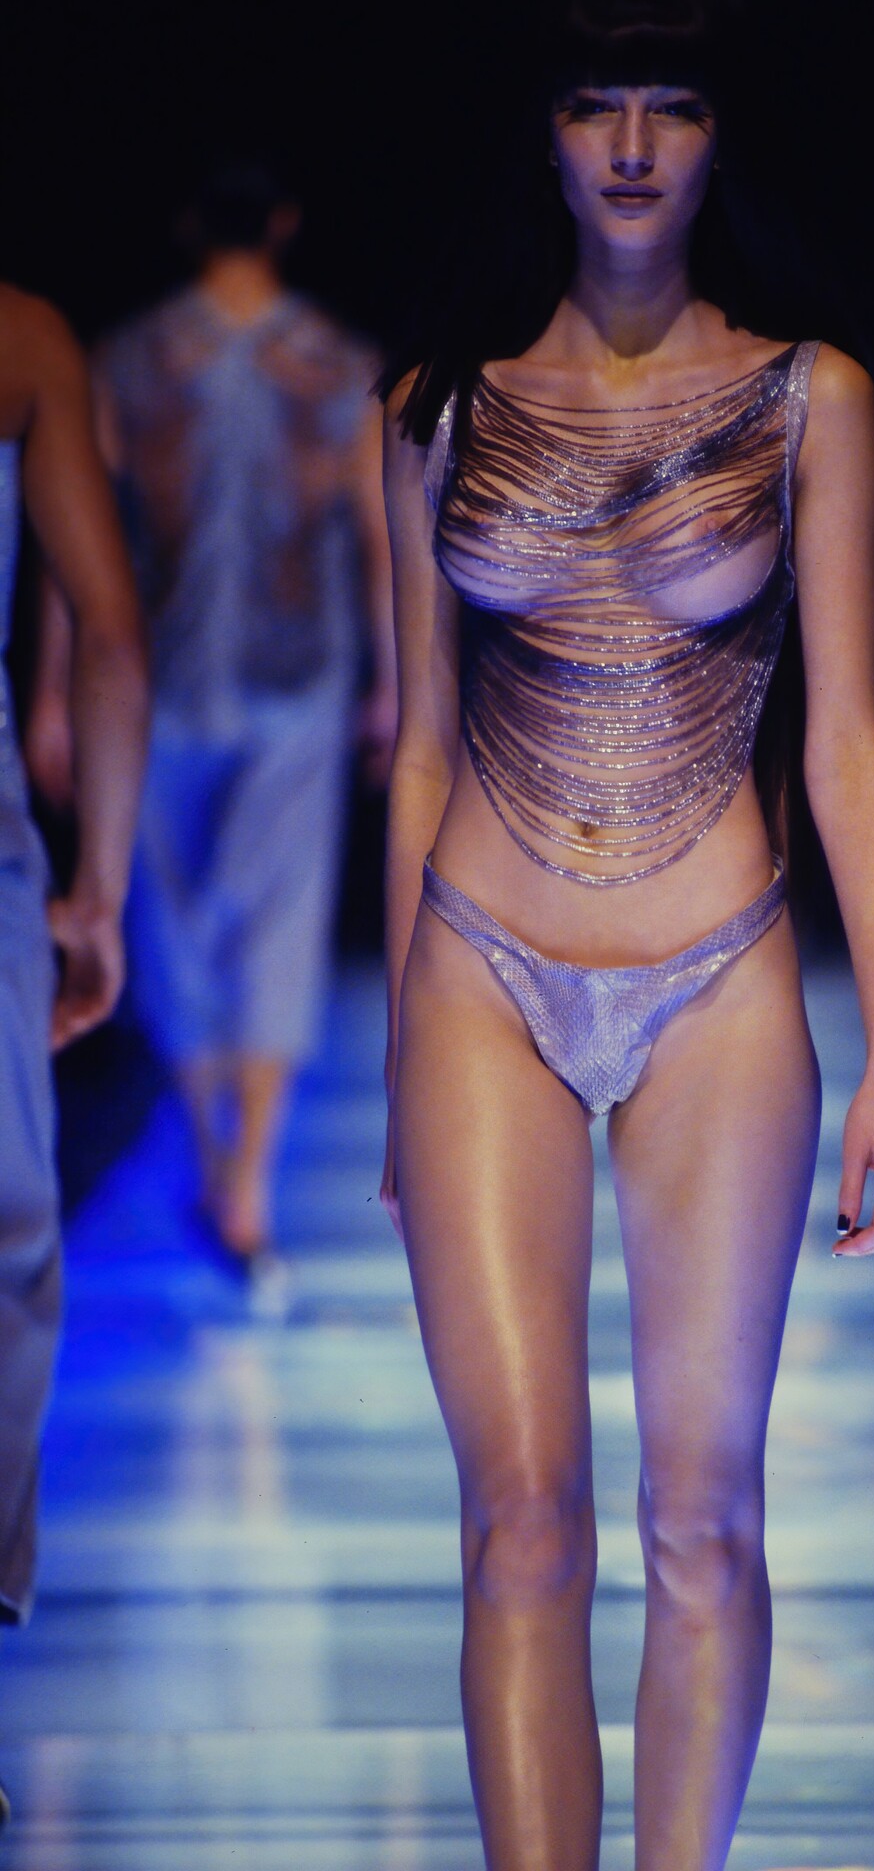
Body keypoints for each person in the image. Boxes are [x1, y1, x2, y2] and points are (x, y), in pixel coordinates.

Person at [379, 0, 874, 1866]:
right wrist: (398, 1059)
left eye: (672, 106)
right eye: (591, 103)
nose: (629, 144)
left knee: (704, 1522)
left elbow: (847, 735)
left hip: (720, 979)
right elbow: (417, 749)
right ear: (539, 134)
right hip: (478, 974)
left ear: (719, 140)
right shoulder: (435, 405)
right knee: (519, 1523)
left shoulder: (811, 397)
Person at [82, 162, 395, 1271]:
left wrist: (66, 696)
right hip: (295, 680)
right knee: (273, 922)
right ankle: (244, 1183)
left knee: (170, 926)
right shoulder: (341, 362)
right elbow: (378, 539)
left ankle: (224, 1166)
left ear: (186, 224)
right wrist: (394, 686)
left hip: (156, 681)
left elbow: (86, 541)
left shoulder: (126, 360)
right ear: (284, 222)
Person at [0, 284, 149, 1829]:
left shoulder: (32, 346)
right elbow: (109, 630)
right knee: (4, 1239)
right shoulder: (27, 341)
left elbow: (103, 632)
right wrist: (95, 890)